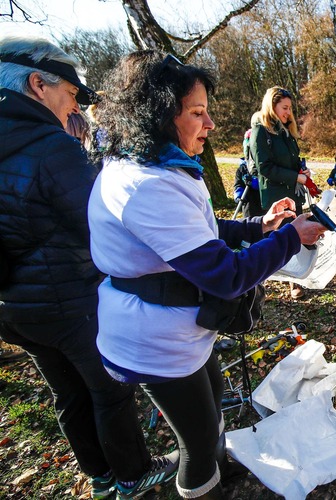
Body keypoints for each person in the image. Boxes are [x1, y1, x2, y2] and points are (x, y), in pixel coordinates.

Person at [88, 51, 326, 499]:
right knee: (197, 439)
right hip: (154, 340)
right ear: (158, 116)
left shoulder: (160, 167)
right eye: (197, 113)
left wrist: (261, 226)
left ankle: (218, 468)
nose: (211, 125)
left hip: (180, 333)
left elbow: (198, 232)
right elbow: (226, 275)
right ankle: (204, 485)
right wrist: (291, 237)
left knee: (213, 404)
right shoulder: (145, 185)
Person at [0, 36, 175, 500]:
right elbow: (100, 222)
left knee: (68, 394)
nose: (73, 104)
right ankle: (132, 474)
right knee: (109, 391)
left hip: (14, 305)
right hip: (69, 299)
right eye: (71, 93)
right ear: (38, 85)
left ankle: (99, 475)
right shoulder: (49, 147)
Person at [250, 86, 317, 299]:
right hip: (275, 196)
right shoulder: (261, 130)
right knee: (282, 238)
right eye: (285, 107)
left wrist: (301, 170)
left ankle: (295, 277)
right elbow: (264, 167)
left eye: (290, 108)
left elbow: (292, 160)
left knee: (293, 236)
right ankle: (289, 283)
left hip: (293, 193)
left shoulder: (285, 131)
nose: (289, 112)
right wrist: (296, 177)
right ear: (272, 105)